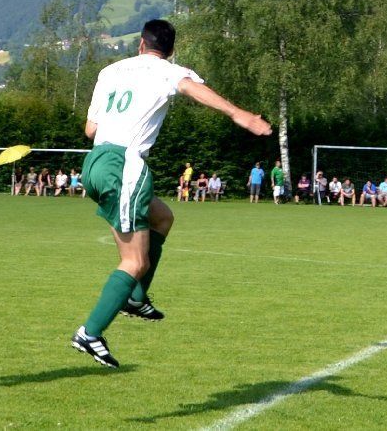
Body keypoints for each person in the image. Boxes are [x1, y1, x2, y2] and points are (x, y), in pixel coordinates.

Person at [70, 19, 271, 368]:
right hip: (124, 165)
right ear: (171, 50)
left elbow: (90, 129)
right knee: (134, 262)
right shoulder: (168, 71)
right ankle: (91, 332)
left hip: (96, 162)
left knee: (162, 217)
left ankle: (135, 298)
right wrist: (239, 114)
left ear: (140, 44)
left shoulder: (110, 71)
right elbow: (191, 88)